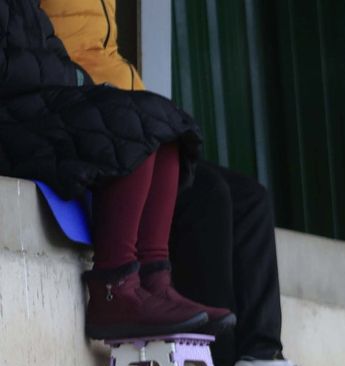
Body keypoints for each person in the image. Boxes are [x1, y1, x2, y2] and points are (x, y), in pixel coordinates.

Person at [41, 0, 345, 366]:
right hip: (89, 128)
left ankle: (261, 357)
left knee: (250, 199)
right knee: (209, 197)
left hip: (130, 127)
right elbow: (46, 60)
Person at [0, 0, 219, 340]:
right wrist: (63, 77)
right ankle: (113, 289)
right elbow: (20, 69)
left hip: (40, 101)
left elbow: (48, 51)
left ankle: (154, 281)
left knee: (168, 126)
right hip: (15, 116)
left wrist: (70, 77)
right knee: (129, 124)